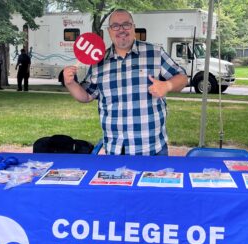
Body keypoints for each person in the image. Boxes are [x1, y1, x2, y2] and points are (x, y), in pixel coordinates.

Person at [64, 8, 188, 156]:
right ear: (109, 31)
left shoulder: (155, 53)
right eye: (115, 26)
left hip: (152, 149)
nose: (121, 29)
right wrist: (70, 83)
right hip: (115, 150)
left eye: (126, 24)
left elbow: (182, 77)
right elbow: (86, 96)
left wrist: (167, 85)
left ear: (134, 27)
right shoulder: (99, 61)